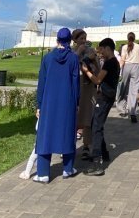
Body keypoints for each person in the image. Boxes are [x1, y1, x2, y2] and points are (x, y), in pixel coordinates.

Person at [33, 28, 80, 183]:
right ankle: (67, 169)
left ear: (57, 40)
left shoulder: (47, 58)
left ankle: (43, 173)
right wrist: (76, 102)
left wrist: (39, 104)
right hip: (67, 101)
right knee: (67, 132)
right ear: (70, 41)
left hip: (48, 101)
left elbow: (42, 83)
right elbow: (75, 83)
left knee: (45, 134)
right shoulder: (73, 59)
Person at [82, 38, 120, 176]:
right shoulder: (114, 62)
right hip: (108, 96)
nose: (100, 52)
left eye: (101, 49)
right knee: (96, 124)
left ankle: (97, 163)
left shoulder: (110, 63)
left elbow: (97, 80)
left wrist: (86, 71)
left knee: (96, 127)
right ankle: (104, 153)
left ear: (108, 48)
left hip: (104, 98)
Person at [72, 29, 100, 160]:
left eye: (85, 38)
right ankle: (69, 145)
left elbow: (98, 70)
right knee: (73, 117)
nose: (83, 41)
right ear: (75, 40)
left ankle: (86, 146)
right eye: (81, 39)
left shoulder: (90, 52)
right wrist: (79, 53)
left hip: (88, 89)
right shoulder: (71, 53)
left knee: (88, 118)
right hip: (75, 89)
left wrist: (93, 60)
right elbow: (70, 66)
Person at [120, 32, 139, 123]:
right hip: (136, 67)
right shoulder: (138, 46)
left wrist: (119, 70)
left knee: (123, 88)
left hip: (126, 66)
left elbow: (122, 59)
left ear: (127, 38)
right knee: (134, 91)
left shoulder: (124, 47)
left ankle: (122, 109)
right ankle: (132, 112)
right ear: (134, 38)